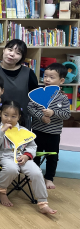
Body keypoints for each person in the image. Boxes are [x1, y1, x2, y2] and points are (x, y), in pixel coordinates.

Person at [0, 100, 56, 215]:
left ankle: (43, 203)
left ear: (19, 117)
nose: (9, 119)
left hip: (22, 157)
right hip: (5, 156)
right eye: (6, 115)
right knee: (12, 169)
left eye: (13, 116)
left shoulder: (24, 131)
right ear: (0, 114)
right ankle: (1, 190)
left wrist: (27, 156)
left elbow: (32, 146)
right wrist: (2, 131)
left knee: (36, 172)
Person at [0, 39, 39, 128]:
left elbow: (36, 98)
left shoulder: (28, 73)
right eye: (10, 50)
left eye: (18, 53)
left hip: (19, 122)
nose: (12, 54)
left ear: (22, 57)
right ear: (4, 50)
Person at [28, 62, 70, 190]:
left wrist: (53, 113)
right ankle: (35, 175)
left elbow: (66, 114)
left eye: (51, 77)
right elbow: (30, 108)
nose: (47, 79)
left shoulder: (63, 98)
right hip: (37, 131)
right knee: (35, 154)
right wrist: (41, 117)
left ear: (61, 81)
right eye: (45, 76)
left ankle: (49, 178)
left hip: (53, 134)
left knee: (52, 157)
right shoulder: (38, 94)